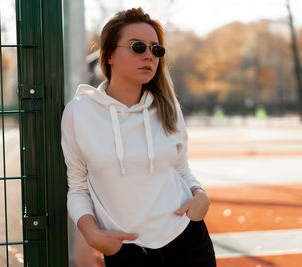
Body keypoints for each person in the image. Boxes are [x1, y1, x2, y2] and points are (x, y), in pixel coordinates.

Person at [61, 7, 216, 267]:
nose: (149, 56)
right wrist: (91, 233)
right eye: (137, 47)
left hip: (188, 240)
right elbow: (77, 187)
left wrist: (200, 194)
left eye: (156, 49)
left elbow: (181, 167)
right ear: (109, 54)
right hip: (127, 251)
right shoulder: (79, 112)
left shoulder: (167, 107)